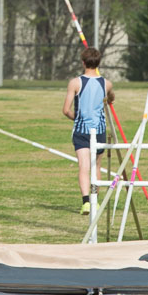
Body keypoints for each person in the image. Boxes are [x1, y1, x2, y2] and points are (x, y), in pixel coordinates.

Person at [62, 46, 115, 215]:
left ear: (83, 62)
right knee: (96, 166)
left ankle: (86, 202)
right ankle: (94, 202)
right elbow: (111, 98)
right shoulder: (106, 83)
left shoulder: (75, 83)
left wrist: (76, 119)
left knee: (83, 166)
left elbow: (66, 110)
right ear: (98, 63)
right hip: (99, 131)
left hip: (82, 131)